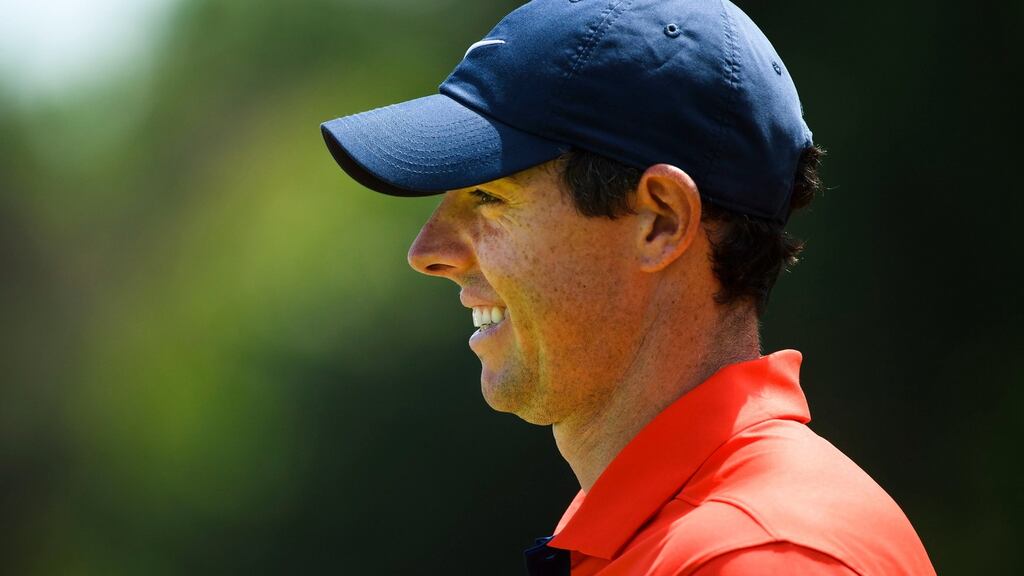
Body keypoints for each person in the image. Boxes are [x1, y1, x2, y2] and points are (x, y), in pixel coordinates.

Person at [320, 0, 935, 574]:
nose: (426, 252)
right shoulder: (684, 531)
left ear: (660, 221)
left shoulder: (760, 555)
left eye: (487, 196)